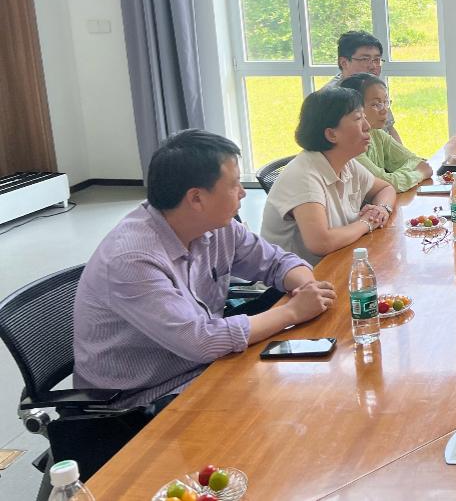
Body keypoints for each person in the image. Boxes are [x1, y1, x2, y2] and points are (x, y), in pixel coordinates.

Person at [73, 130, 337, 409]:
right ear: (196, 198)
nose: (243, 192)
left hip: (207, 365)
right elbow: (200, 341)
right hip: (142, 400)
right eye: (234, 184)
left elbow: (277, 261)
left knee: (309, 387)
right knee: (290, 406)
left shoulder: (217, 226)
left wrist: (307, 288)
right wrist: (293, 311)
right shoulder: (132, 259)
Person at [261, 86, 397, 264]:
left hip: (337, 263)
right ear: (331, 134)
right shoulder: (303, 176)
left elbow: (385, 188)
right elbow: (321, 243)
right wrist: (367, 223)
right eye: (358, 118)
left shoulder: (346, 163)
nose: (367, 126)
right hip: (298, 279)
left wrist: (381, 209)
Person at [337, 73, 435, 192]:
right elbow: (385, 183)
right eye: (375, 104)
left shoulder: (377, 134)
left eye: (385, 102)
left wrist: (400, 175)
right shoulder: (351, 147)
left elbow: (414, 160)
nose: (384, 110)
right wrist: (418, 174)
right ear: (355, 109)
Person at [322, 30, 402, 143]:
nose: (373, 66)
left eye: (377, 60)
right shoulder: (330, 98)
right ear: (344, 62)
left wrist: (403, 153)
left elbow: (389, 128)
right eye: (365, 59)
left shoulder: (374, 88)